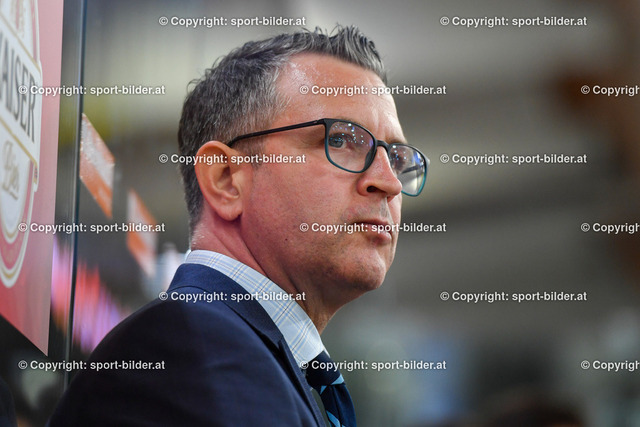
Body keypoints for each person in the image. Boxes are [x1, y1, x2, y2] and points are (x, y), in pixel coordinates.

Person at [49, 25, 428, 426]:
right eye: (341, 140)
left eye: (397, 158)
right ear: (226, 179)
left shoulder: (239, 352)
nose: (388, 182)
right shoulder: (190, 347)